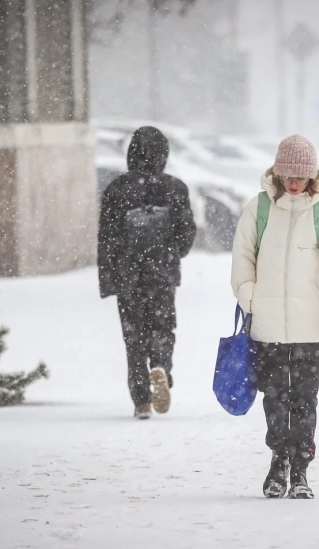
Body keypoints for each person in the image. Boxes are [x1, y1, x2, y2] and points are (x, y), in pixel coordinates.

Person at [230, 134, 319, 499]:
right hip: (268, 324)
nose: (293, 182)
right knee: (274, 398)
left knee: (304, 399)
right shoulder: (258, 209)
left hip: (310, 326)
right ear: (276, 172)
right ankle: (278, 463)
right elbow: (242, 261)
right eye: (287, 175)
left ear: (312, 177)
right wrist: (249, 296)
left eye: (300, 177)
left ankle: (301, 468)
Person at [98, 126, 196, 420]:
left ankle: (141, 399)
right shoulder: (175, 188)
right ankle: (161, 367)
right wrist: (170, 255)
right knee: (163, 327)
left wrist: (110, 278)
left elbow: (107, 237)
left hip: (128, 274)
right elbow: (186, 232)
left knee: (133, 335)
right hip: (162, 273)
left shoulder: (116, 189)